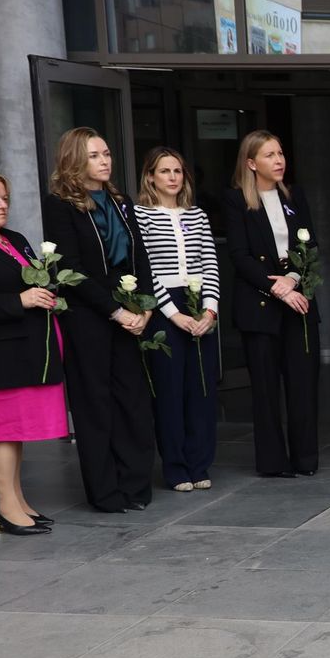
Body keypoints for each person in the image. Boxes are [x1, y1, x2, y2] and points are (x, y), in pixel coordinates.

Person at [42, 127, 156, 513]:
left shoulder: (120, 201)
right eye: (94, 155)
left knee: (133, 400)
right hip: (89, 317)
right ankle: (106, 493)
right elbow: (68, 269)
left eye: (106, 153)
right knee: (95, 405)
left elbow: (139, 257)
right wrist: (115, 310)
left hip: (129, 310)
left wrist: (145, 306)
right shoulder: (60, 204)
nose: (105, 160)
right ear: (75, 160)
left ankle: (136, 486)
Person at [0, 171, 65, 535]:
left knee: (15, 431)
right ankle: (5, 509)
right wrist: (18, 301)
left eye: (4, 197)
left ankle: (16, 501)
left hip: (19, 350)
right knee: (1, 431)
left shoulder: (14, 239)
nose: (2, 204)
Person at [223, 129, 320, 478]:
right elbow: (239, 255)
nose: (279, 160)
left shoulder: (296, 196)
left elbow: (311, 246)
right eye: (269, 155)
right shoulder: (236, 201)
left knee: (303, 385)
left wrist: (294, 280)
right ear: (251, 163)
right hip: (260, 303)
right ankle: (273, 462)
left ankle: (305, 460)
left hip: (299, 301)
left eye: (280, 153)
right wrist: (277, 288)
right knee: (265, 389)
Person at [135, 147, 221, 492]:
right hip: (163, 308)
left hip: (199, 301)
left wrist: (210, 310)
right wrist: (173, 314)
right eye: (164, 171)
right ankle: (175, 467)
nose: (172, 177)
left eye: (178, 171)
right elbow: (147, 269)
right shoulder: (140, 215)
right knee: (169, 391)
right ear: (150, 176)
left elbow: (211, 263)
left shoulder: (197, 215)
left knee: (200, 389)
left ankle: (200, 464)